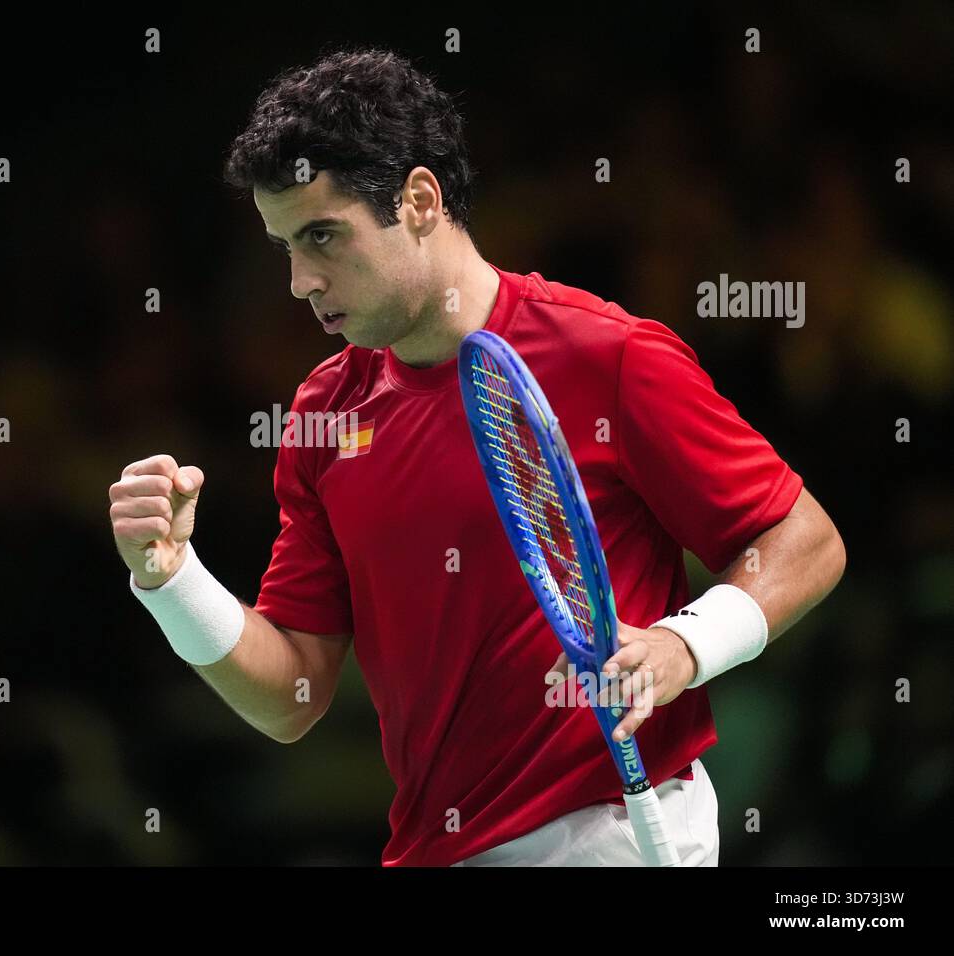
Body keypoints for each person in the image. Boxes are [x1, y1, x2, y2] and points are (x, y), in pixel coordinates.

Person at [108, 47, 846, 866]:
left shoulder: (606, 356)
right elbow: (292, 696)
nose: (299, 281)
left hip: (612, 836)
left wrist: (685, 644)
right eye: (284, 245)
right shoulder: (325, 413)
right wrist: (171, 580)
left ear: (420, 200)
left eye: (322, 235)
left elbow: (803, 540)